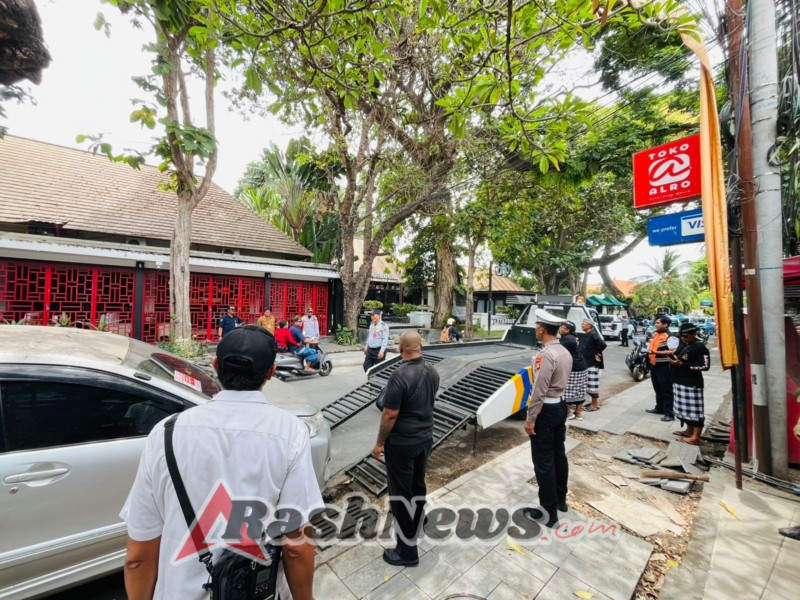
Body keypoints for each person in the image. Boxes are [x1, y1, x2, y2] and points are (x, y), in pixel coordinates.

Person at [120, 325, 322, 600]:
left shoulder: (165, 432)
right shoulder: (290, 433)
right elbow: (296, 543)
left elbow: (138, 556)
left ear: (215, 366)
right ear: (271, 373)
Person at [372, 330, 440, 566]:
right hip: (425, 440)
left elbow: (389, 415)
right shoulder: (432, 371)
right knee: (417, 483)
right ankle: (419, 519)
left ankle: (406, 552)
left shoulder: (399, 375)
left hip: (402, 444)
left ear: (400, 349)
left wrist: (380, 442)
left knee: (401, 495)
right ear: (420, 346)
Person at [523, 309, 573, 529]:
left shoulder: (545, 355)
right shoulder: (565, 351)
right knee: (558, 454)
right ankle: (560, 499)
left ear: (542, 329)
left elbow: (538, 391)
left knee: (544, 462)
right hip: (560, 406)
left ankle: (548, 513)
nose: (535, 329)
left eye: (536, 326)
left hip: (546, 411)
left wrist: (531, 418)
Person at [667, 322, 711, 445]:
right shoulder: (683, 343)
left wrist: (683, 365)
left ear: (694, 334)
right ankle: (688, 430)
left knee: (694, 411)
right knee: (683, 409)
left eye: (685, 336)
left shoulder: (700, 347)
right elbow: (678, 356)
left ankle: (696, 437)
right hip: (679, 381)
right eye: (681, 336)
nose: (683, 338)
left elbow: (705, 366)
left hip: (692, 383)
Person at [646, 315, 676, 422]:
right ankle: (659, 408)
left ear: (665, 325)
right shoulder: (656, 335)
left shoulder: (670, 336)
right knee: (657, 388)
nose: (655, 324)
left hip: (665, 367)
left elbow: (673, 351)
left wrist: (656, 352)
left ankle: (669, 413)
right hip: (654, 365)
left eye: (658, 323)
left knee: (666, 390)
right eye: (656, 323)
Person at [559, 320, 588, 421]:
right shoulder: (572, 337)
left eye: (561, 327)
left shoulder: (567, 339)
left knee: (566, 390)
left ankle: (568, 413)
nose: (559, 329)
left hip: (574, 367)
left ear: (567, 330)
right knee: (580, 389)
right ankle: (578, 413)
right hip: (581, 365)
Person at [580, 319, 606, 412]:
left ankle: (595, 405)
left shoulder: (593, 334)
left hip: (592, 363)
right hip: (587, 362)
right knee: (588, 384)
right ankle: (592, 403)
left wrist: (597, 353)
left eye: (584, 324)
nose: (582, 325)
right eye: (582, 323)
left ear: (589, 326)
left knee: (592, 384)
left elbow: (603, 344)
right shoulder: (588, 334)